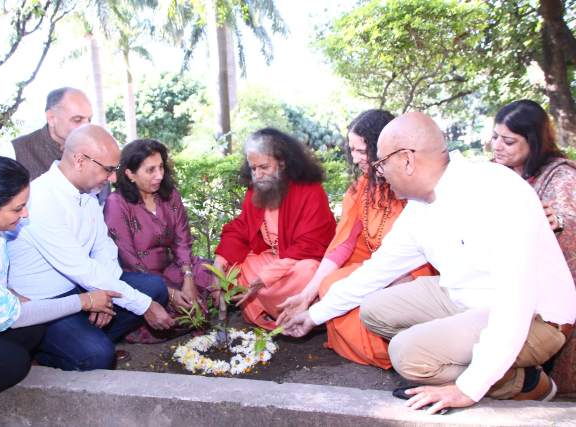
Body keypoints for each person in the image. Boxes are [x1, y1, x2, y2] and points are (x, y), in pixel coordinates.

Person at [282, 112, 576, 414]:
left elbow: (515, 301)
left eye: (381, 164)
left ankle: (524, 384)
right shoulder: (419, 209)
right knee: (373, 310)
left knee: (407, 354)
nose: (379, 173)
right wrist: (313, 316)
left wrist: (468, 388)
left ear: (407, 160)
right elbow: (375, 271)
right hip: (468, 299)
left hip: (537, 317)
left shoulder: (494, 191)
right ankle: (488, 363)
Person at [0, 157, 116, 421]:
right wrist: (85, 301)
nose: (25, 215)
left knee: (34, 327)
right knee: (11, 363)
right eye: (18, 208)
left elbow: (1, 289)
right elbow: (14, 315)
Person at [7, 125, 175, 371]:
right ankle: (47, 352)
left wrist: (103, 294)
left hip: (80, 286)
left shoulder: (87, 192)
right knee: (99, 355)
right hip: (45, 303)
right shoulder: (41, 199)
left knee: (155, 288)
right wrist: (142, 305)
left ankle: (84, 340)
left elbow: (103, 248)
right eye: (108, 169)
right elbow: (81, 268)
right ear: (79, 160)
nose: (113, 178)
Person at [278, 110, 434, 368]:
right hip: (377, 268)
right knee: (329, 284)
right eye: (352, 150)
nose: (356, 158)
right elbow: (342, 246)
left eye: (362, 151)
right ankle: (385, 349)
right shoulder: (362, 188)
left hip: (413, 273)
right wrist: (306, 295)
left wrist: (396, 280)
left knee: (386, 295)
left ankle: (407, 349)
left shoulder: (412, 187)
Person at [491, 99, 576, 392]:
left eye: (508, 141)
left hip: (547, 296)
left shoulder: (561, 177)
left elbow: (566, 218)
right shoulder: (492, 174)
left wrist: (558, 222)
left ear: (534, 141)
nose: (497, 146)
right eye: (495, 137)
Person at [213, 128, 336, 330]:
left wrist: (266, 278)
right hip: (274, 259)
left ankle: (298, 315)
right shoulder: (257, 190)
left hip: (300, 263)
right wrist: (219, 262)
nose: (257, 175)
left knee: (308, 272)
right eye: (253, 169)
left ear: (282, 163)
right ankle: (271, 313)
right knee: (239, 267)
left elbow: (311, 244)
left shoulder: (310, 190)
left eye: (264, 167)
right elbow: (241, 227)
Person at [104, 139, 213, 342]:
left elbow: (182, 240)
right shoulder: (117, 204)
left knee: (213, 272)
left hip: (172, 268)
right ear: (130, 174)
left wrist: (188, 278)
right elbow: (129, 260)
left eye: (161, 167)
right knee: (166, 303)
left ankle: (191, 312)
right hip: (142, 280)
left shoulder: (170, 196)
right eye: (150, 170)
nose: (159, 175)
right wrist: (170, 293)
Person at [10, 87, 109, 204]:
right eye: (77, 120)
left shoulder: (96, 151)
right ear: (51, 118)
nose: (86, 126)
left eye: (89, 120)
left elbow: (103, 202)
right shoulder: (16, 152)